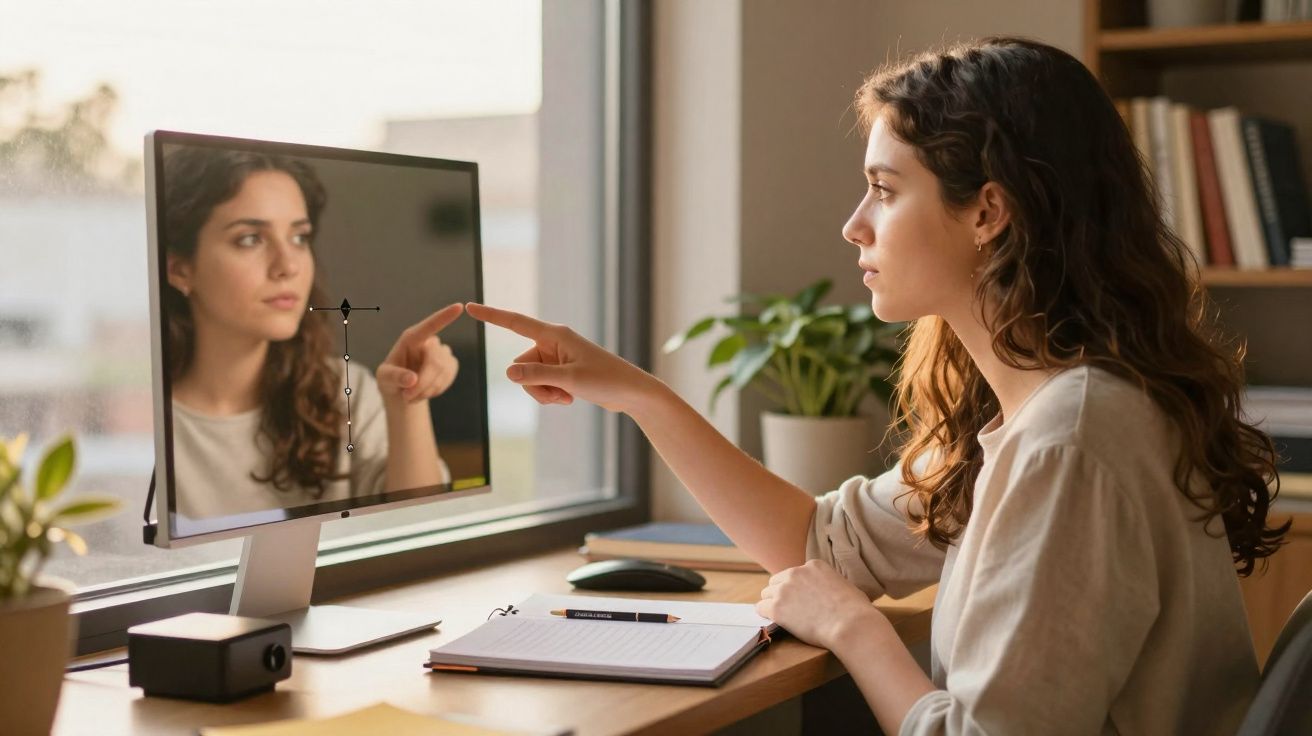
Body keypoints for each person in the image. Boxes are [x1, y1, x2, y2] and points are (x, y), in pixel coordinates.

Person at [465, 37, 1288, 735]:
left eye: (886, 191)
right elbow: (823, 542)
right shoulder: (1045, 411)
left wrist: (853, 628)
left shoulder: (1072, 438)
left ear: (988, 213)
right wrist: (638, 394)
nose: (854, 223)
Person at [162, 146, 459, 518]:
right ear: (180, 269)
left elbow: (417, 529)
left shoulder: (346, 392)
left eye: (299, 238)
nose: (288, 265)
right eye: (250, 238)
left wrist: (407, 402)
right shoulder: (148, 424)